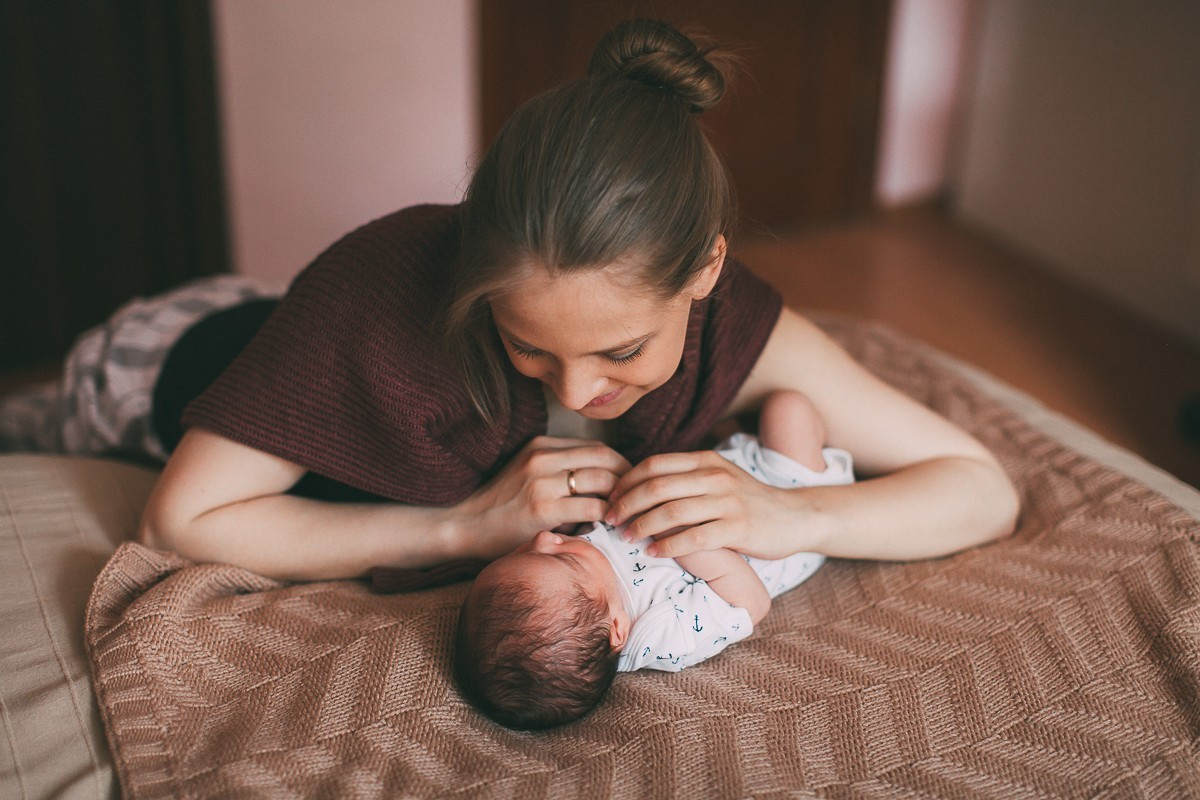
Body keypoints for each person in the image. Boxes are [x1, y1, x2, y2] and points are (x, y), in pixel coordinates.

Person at [0, 19, 1018, 587]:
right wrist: (456, 529)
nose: (582, 386)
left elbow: (980, 488)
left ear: (704, 272)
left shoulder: (733, 319)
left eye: (622, 348)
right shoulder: (378, 283)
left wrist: (786, 511)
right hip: (165, 363)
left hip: (296, 331)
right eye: (526, 344)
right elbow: (182, 518)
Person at [455, 390, 850, 730]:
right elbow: (751, 603)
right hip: (786, 514)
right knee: (788, 407)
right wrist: (679, 535)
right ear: (617, 630)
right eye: (563, 560)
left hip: (722, 476)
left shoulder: (576, 574)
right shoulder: (660, 635)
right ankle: (838, 470)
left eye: (525, 551)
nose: (546, 539)